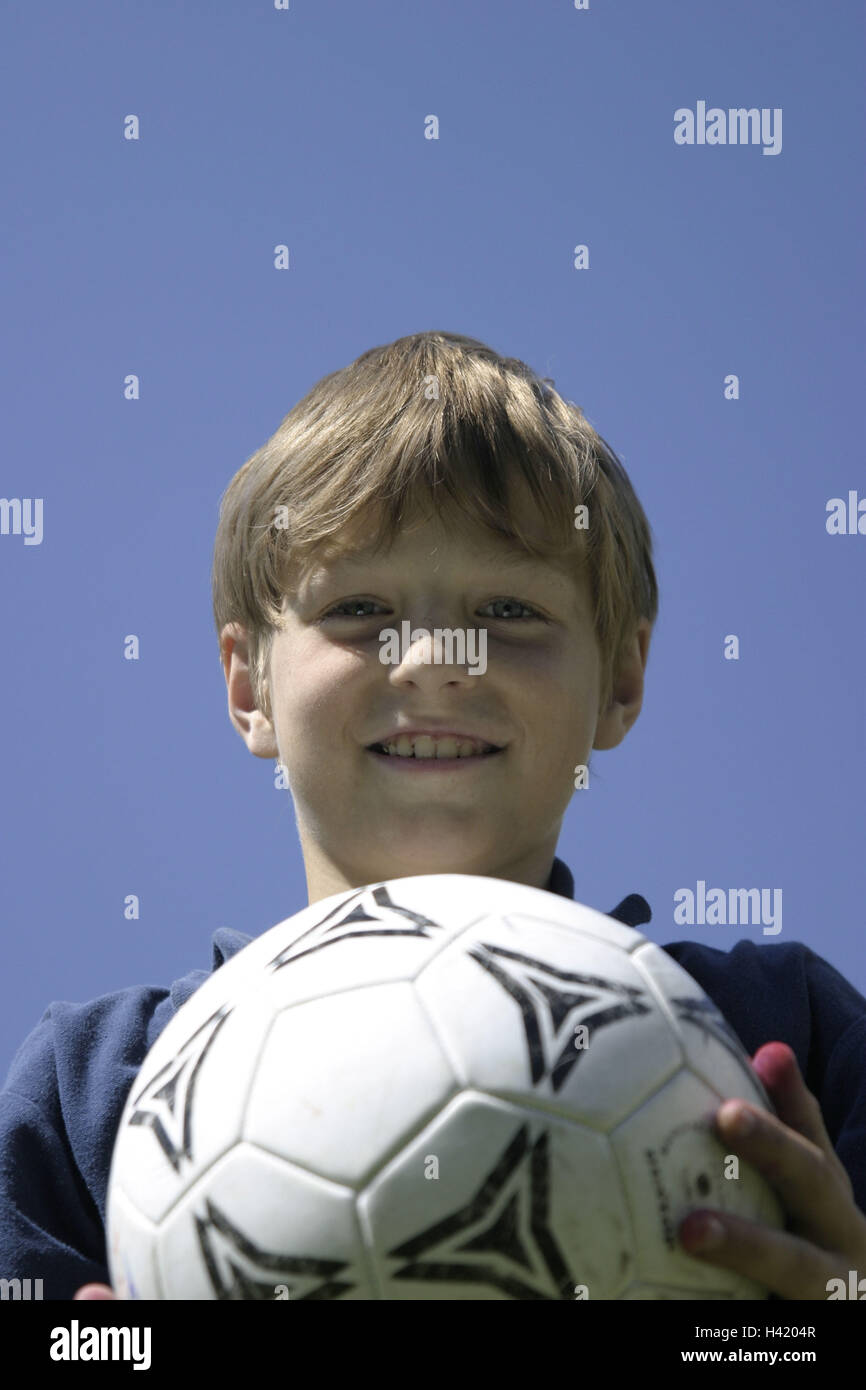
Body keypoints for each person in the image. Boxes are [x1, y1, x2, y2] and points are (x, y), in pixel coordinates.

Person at [2, 332, 863, 1301]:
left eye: (507, 608)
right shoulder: (94, 1089)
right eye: (361, 608)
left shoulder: (781, 1034)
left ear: (620, 678)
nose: (435, 658)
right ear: (248, 687)